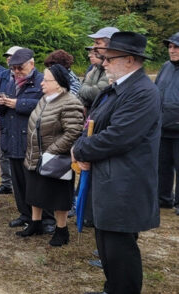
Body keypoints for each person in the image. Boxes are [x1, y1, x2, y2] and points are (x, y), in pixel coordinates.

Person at [72, 32, 161, 294]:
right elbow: (92, 123)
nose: (104, 63)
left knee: (120, 249)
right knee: (107, 245)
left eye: (109, 58)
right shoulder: (116, 89)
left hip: (125, 184)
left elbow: (118, 137)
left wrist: (80, 150)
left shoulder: (142, 92)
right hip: (108, 178)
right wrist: (82, 148)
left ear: (130, 60)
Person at [17, 64, 83, 246]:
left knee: (58, 196)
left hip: (56, 160)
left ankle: (61, 230)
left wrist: (51, 151)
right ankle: (35, 223)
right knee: (34, 192)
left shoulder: (70, 102)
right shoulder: (45, 99)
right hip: (36, 156)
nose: (42, 83)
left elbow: (73, 132)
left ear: (59, 83)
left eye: (46, 80)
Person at [0, 48, 54, 231]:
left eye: (20, 67)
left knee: (38, 182)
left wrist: (18, 104)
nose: (16, 72)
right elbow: (0, 111)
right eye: (13, 68)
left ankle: (47, 219)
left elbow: (48, 105)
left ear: (32, 64)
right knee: (18, 181)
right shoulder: (10, 82)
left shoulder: (42, 81)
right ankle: (25, 214)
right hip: (12, 138)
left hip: (33, 140)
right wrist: (1, 103)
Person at [0, 46, 22, 195]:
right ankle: (6, 183)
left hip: (20, 118)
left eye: (12, 56)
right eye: (7, 56)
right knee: (3, 152)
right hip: (4, 117)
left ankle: (19, 185)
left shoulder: (30, 76)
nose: (9, 58)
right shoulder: (2, 75)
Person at [156, 31, 179, 214]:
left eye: (176, 47)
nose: (172, 50)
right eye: (170, 46)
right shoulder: (165, 67)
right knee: (162, 166)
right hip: (163, 127)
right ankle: (163, 198)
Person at [79, 27, 119, 111]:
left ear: (110, 45)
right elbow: (81, 89)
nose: (94, 47)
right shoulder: (97, 67)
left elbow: (96, 93)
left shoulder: (115, 68)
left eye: (97, 43)